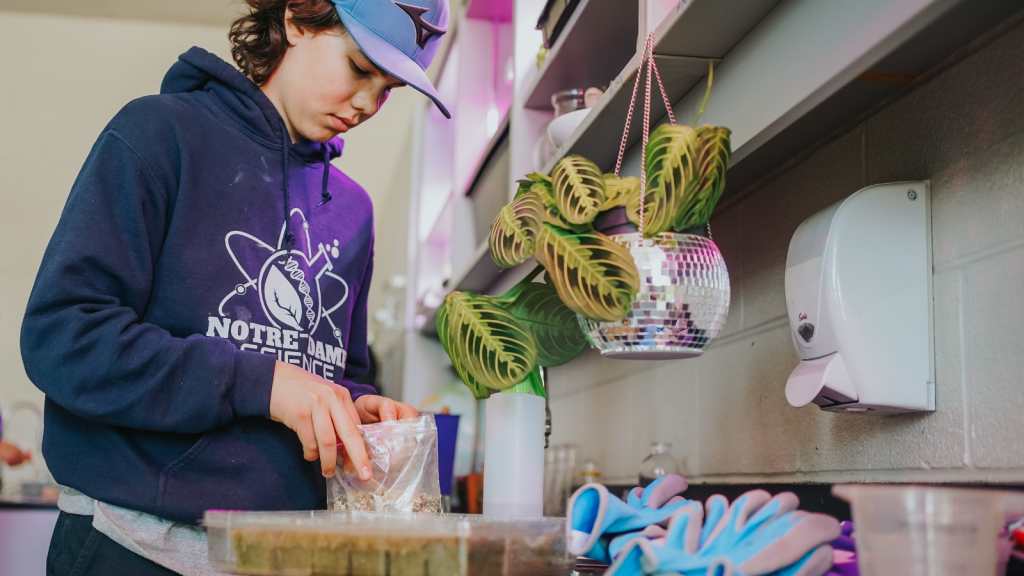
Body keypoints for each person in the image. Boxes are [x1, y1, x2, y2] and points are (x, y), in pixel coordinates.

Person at [20, 0, 450, 574]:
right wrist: (261, 383)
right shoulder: (157, 135)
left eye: (389, 87)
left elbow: (335, 372)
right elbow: (63, 337)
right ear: (298, 19)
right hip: (132, 547)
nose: (369, 104)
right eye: (358, 68)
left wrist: (354, 411)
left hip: (282, 558)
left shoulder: (354, 212)